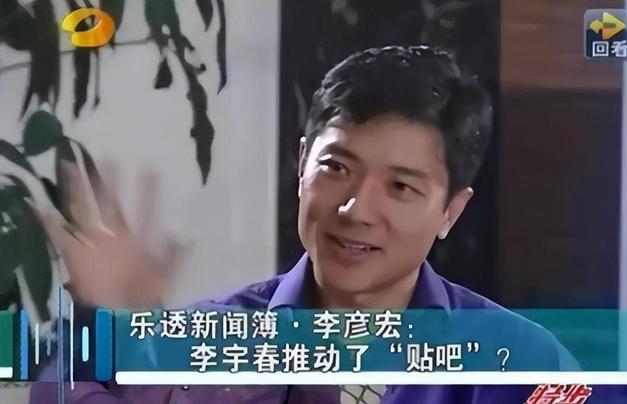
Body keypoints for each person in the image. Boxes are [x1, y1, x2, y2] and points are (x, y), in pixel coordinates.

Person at [30, 46, 577, 404]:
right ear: (301, 166)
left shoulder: (522, 361)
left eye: (400, 187)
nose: (355, 209)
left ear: (450, 211)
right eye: (336, 168)